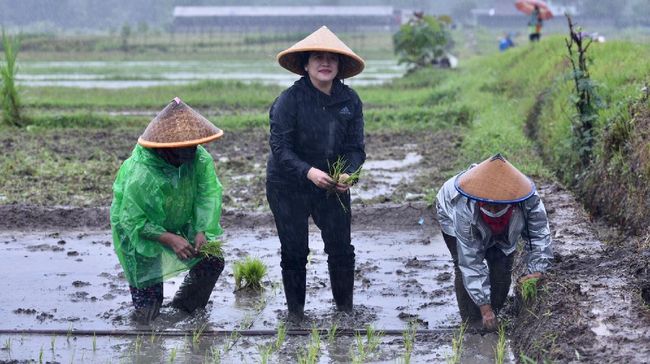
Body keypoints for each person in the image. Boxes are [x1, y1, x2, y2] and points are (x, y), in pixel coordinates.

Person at [266, 26, 366, 323]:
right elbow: (280, 148)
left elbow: (356, 148)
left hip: (333, 185)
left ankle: (345, 312)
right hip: (288, 184)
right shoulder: (289, 101)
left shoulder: (350, 101)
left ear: (339, 67)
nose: (325, 63)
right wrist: (309, 172)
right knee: (295, 251)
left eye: (331, 59)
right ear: (306, 65)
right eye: (318, 58)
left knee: (341, 249)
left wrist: (348, 174)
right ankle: (296, 316)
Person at [110, 97, 225, 325]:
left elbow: (208, 195)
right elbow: (134, 221)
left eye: (194, 145)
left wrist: (201, 229)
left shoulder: (199, 159)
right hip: (140, 234)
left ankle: (184, 310)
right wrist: (169, 238)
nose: (192, 152)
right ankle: (144, 323)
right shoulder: (142, 173)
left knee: (212, 261)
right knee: (149, 306)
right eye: (185, 148)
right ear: (166, 149)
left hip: (179, 220)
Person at [435, 154, 552, 331]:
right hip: (450, 214)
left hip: (507, 224)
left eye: (498, 206)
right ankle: (471, 321)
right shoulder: (464, 208)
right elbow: (470, 261)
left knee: (502, 264)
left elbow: (538, 235)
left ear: (512, 202)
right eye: (488, 206)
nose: (492, 209)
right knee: (462, 266)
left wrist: (537, 269)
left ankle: (494, 315)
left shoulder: (527, 199)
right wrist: (484, 307)